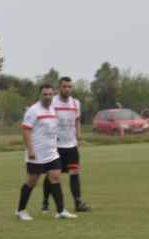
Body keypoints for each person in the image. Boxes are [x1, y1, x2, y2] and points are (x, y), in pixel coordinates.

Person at [15, 84, 77, 221]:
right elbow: (25, 130)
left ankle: (60, 211)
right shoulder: (33, 110)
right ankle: (20, 210)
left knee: (55, 178)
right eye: (45, 94)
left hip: (51, 153)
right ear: (40, 95)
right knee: (31, 182)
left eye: (50, 94)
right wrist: (30, 149)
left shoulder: (52, 110)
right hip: (36, 153)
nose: (48, 97)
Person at [42, 77, 92, 213]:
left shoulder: (76, 103)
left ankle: (78, 203)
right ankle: (45, 202)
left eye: (69, 86)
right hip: (56, 146)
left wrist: (78, 138)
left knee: (74, 172)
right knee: (53, 175)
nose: (67, 89)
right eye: (64, 86)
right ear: (59, 88)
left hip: (71, 145)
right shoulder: (53, 102)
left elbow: (77, 122)